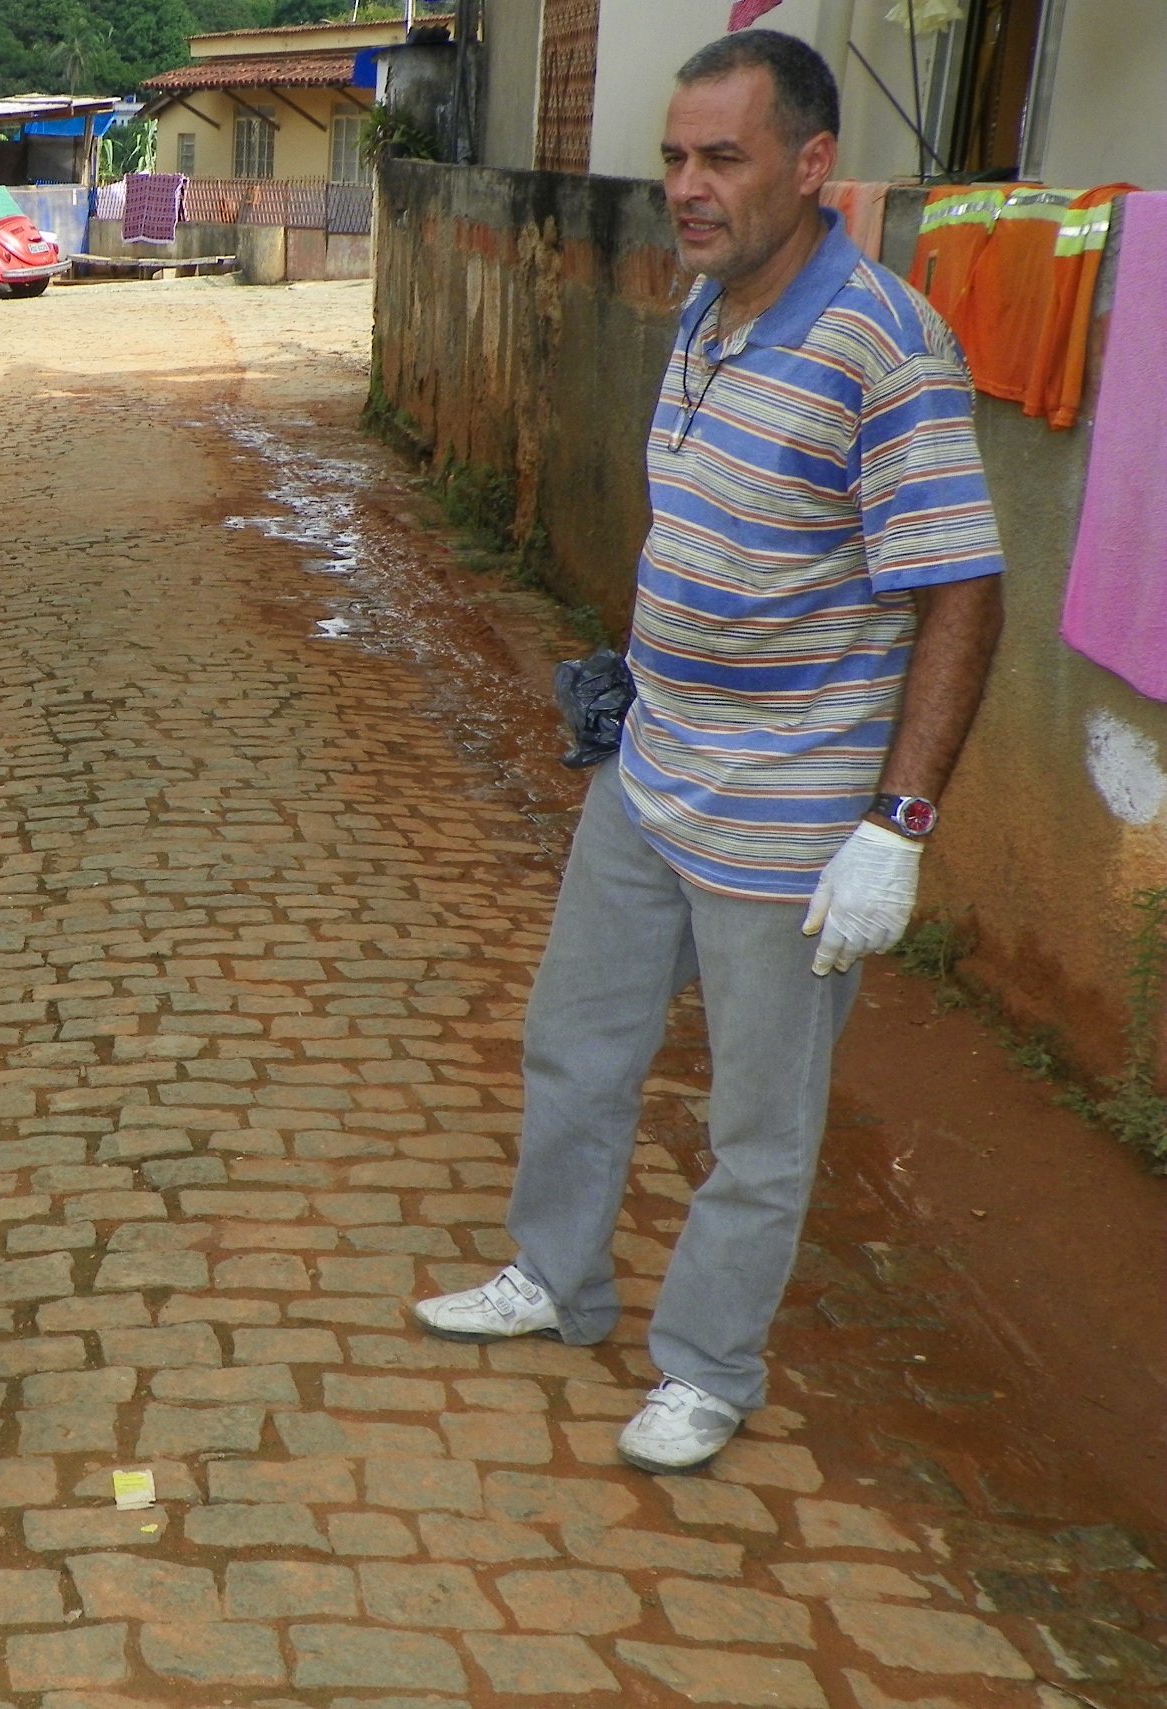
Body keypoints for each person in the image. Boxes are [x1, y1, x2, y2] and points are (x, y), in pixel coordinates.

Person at [412, 33, 1005, 1472]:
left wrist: (898, 826)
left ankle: (708, 1367)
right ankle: (557, 1276)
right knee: (577, 1045)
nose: (685, 185)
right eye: (675, 156)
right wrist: (638, 672)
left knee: (756, 1124)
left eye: (720, 159)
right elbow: (711, 533)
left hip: (789, 819)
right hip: (655, 772)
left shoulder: (885, 346)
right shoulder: (710, 308)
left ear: (811, 168)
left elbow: (963, 594)